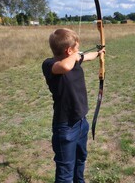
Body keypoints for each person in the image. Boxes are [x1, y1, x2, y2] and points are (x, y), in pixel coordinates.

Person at [42, 28, 104, 183]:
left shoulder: (74, 58)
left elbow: (86, 56)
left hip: (81, 122)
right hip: (65, 127)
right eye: (76, 47)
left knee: (80, 160)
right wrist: (76, 56)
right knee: (65, 174)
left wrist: (99, 53)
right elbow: (64, 67)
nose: (79, 51)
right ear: (69, 50)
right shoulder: (50, 64)